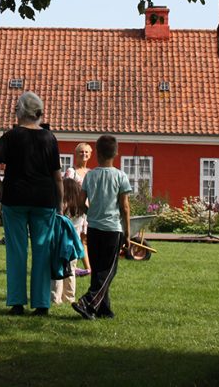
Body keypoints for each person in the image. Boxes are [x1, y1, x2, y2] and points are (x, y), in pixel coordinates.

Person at [0, 91, 63, 316]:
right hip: (44, 199)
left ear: (20, 111)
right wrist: (61, 205)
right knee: (42, 250)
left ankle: (17, 302)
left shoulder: (11, 136)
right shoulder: (49, 138)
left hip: (15, 198)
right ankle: (41, 304)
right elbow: (57, 177)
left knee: (16, 251)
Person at [73, 135, 132, 320]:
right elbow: (125, 207)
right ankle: (87, 302)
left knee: (98, 269)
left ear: (96, 153)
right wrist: (128, 233)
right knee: (109, 270)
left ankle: (104, 309)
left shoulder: (90, 175)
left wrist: (90, 212)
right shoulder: (120, 176)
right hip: (112, 228)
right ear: (116, 153)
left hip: (94, 228)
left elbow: (80, 201)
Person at [51, 178, 88, 304]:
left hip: (60, 245)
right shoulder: (80, 209)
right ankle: (69, 297)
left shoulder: (63, 209)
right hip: (73, 247)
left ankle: (55, 298)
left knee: (57, 271)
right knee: (71, 271)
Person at [63, 142, 93, 276]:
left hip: (87, 210)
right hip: (75, 211)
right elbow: (66, 191)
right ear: (76, 154)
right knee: (73, 237)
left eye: (86, 152)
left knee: (84, 238)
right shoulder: (71, 171)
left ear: (90, 155)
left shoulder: (91, 173)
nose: (84, 154)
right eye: (81, 151)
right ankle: (70, 264)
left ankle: (88, 268)